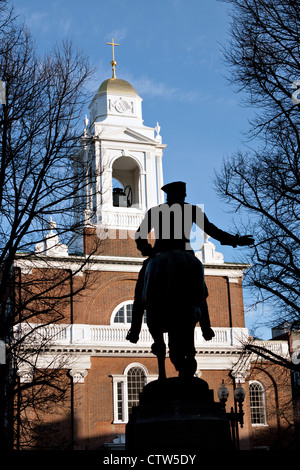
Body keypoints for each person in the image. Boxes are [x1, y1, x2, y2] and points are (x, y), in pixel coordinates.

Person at [126, 181, 254, 343]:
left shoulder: (156, 211)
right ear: (182, 195)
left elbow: (139, 235)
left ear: (168, 195)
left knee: (141, 289)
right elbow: (213, 230)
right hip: (185, 253)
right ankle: (206, 327)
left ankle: (135, 329)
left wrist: (148, 250)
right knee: (199, 288)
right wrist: (236, 240)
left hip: (160, 254)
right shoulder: (192, 210)